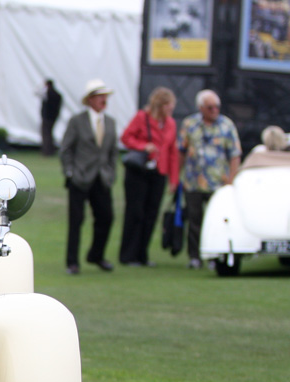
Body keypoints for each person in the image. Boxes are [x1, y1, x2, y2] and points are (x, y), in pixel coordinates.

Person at [59, 79, 119, 274]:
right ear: (90, 99)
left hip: (101, 178)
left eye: (105, 96)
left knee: (106, 217)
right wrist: (69, 171)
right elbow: (66, 149)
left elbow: (112, 152)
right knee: (76, 221)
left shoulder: (110, 122)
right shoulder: (77, 121)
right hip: (80, 177)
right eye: (100, 96)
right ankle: (72, 262)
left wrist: (111, 172)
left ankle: (96, 255)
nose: (104, 100)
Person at [177, 89, 241, 269]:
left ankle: (214, 256)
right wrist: (176, 177)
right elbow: (181, 151)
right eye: (210, 107)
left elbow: (235, 154)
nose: (214, 110)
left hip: (218, 183)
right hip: (193, 180)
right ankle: (195, 257)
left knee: (216, 221)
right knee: (194, 220)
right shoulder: (190, 124)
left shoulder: (226, 125)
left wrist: (231, 179)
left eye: (216, 107)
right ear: (201, 108)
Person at [118, 87, 180, 266]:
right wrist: (144, 145)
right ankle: (128, 254)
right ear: (161, 105)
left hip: (158, 171)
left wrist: (173, 179)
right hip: (139, 171)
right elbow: (126, 137)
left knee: (151, 214)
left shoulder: (170, 124)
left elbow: (173, 152)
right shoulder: (141, 117)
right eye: (168, 105)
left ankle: (142, 254)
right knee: (135, 212)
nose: (171, 109)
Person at [40, 79, 63, 156]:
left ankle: (47, 151)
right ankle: (51, 150)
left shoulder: (48, 94)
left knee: (46, 134)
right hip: (53, 117)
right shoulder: (58, 95)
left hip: (47, 117)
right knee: (49, 133)